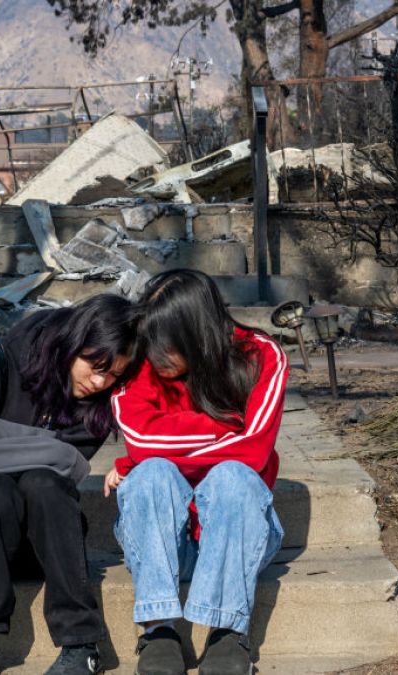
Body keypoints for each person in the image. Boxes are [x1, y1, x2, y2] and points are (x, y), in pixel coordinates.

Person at [0, 294, 136, 675]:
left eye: (114, 374)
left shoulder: (100, 405)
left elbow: (69, 465)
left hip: (45, 542)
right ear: (71, 342)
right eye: (95, 364)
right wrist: (45, 448)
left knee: (44, 484)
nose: (101, 381)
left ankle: (80, 645)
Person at [104, 270, 287, 675]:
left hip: (239, 539)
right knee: (151, 473)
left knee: (234, 478)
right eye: (149, 340)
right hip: (163, 544)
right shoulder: (142, 365)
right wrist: (227, 427)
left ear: (198, 332)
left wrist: (165, 448)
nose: (154, 354)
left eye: (166, 343)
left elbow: (253, 451)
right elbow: (142, 443)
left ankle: (226, 633)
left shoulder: (261, 356)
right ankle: (159, 630)